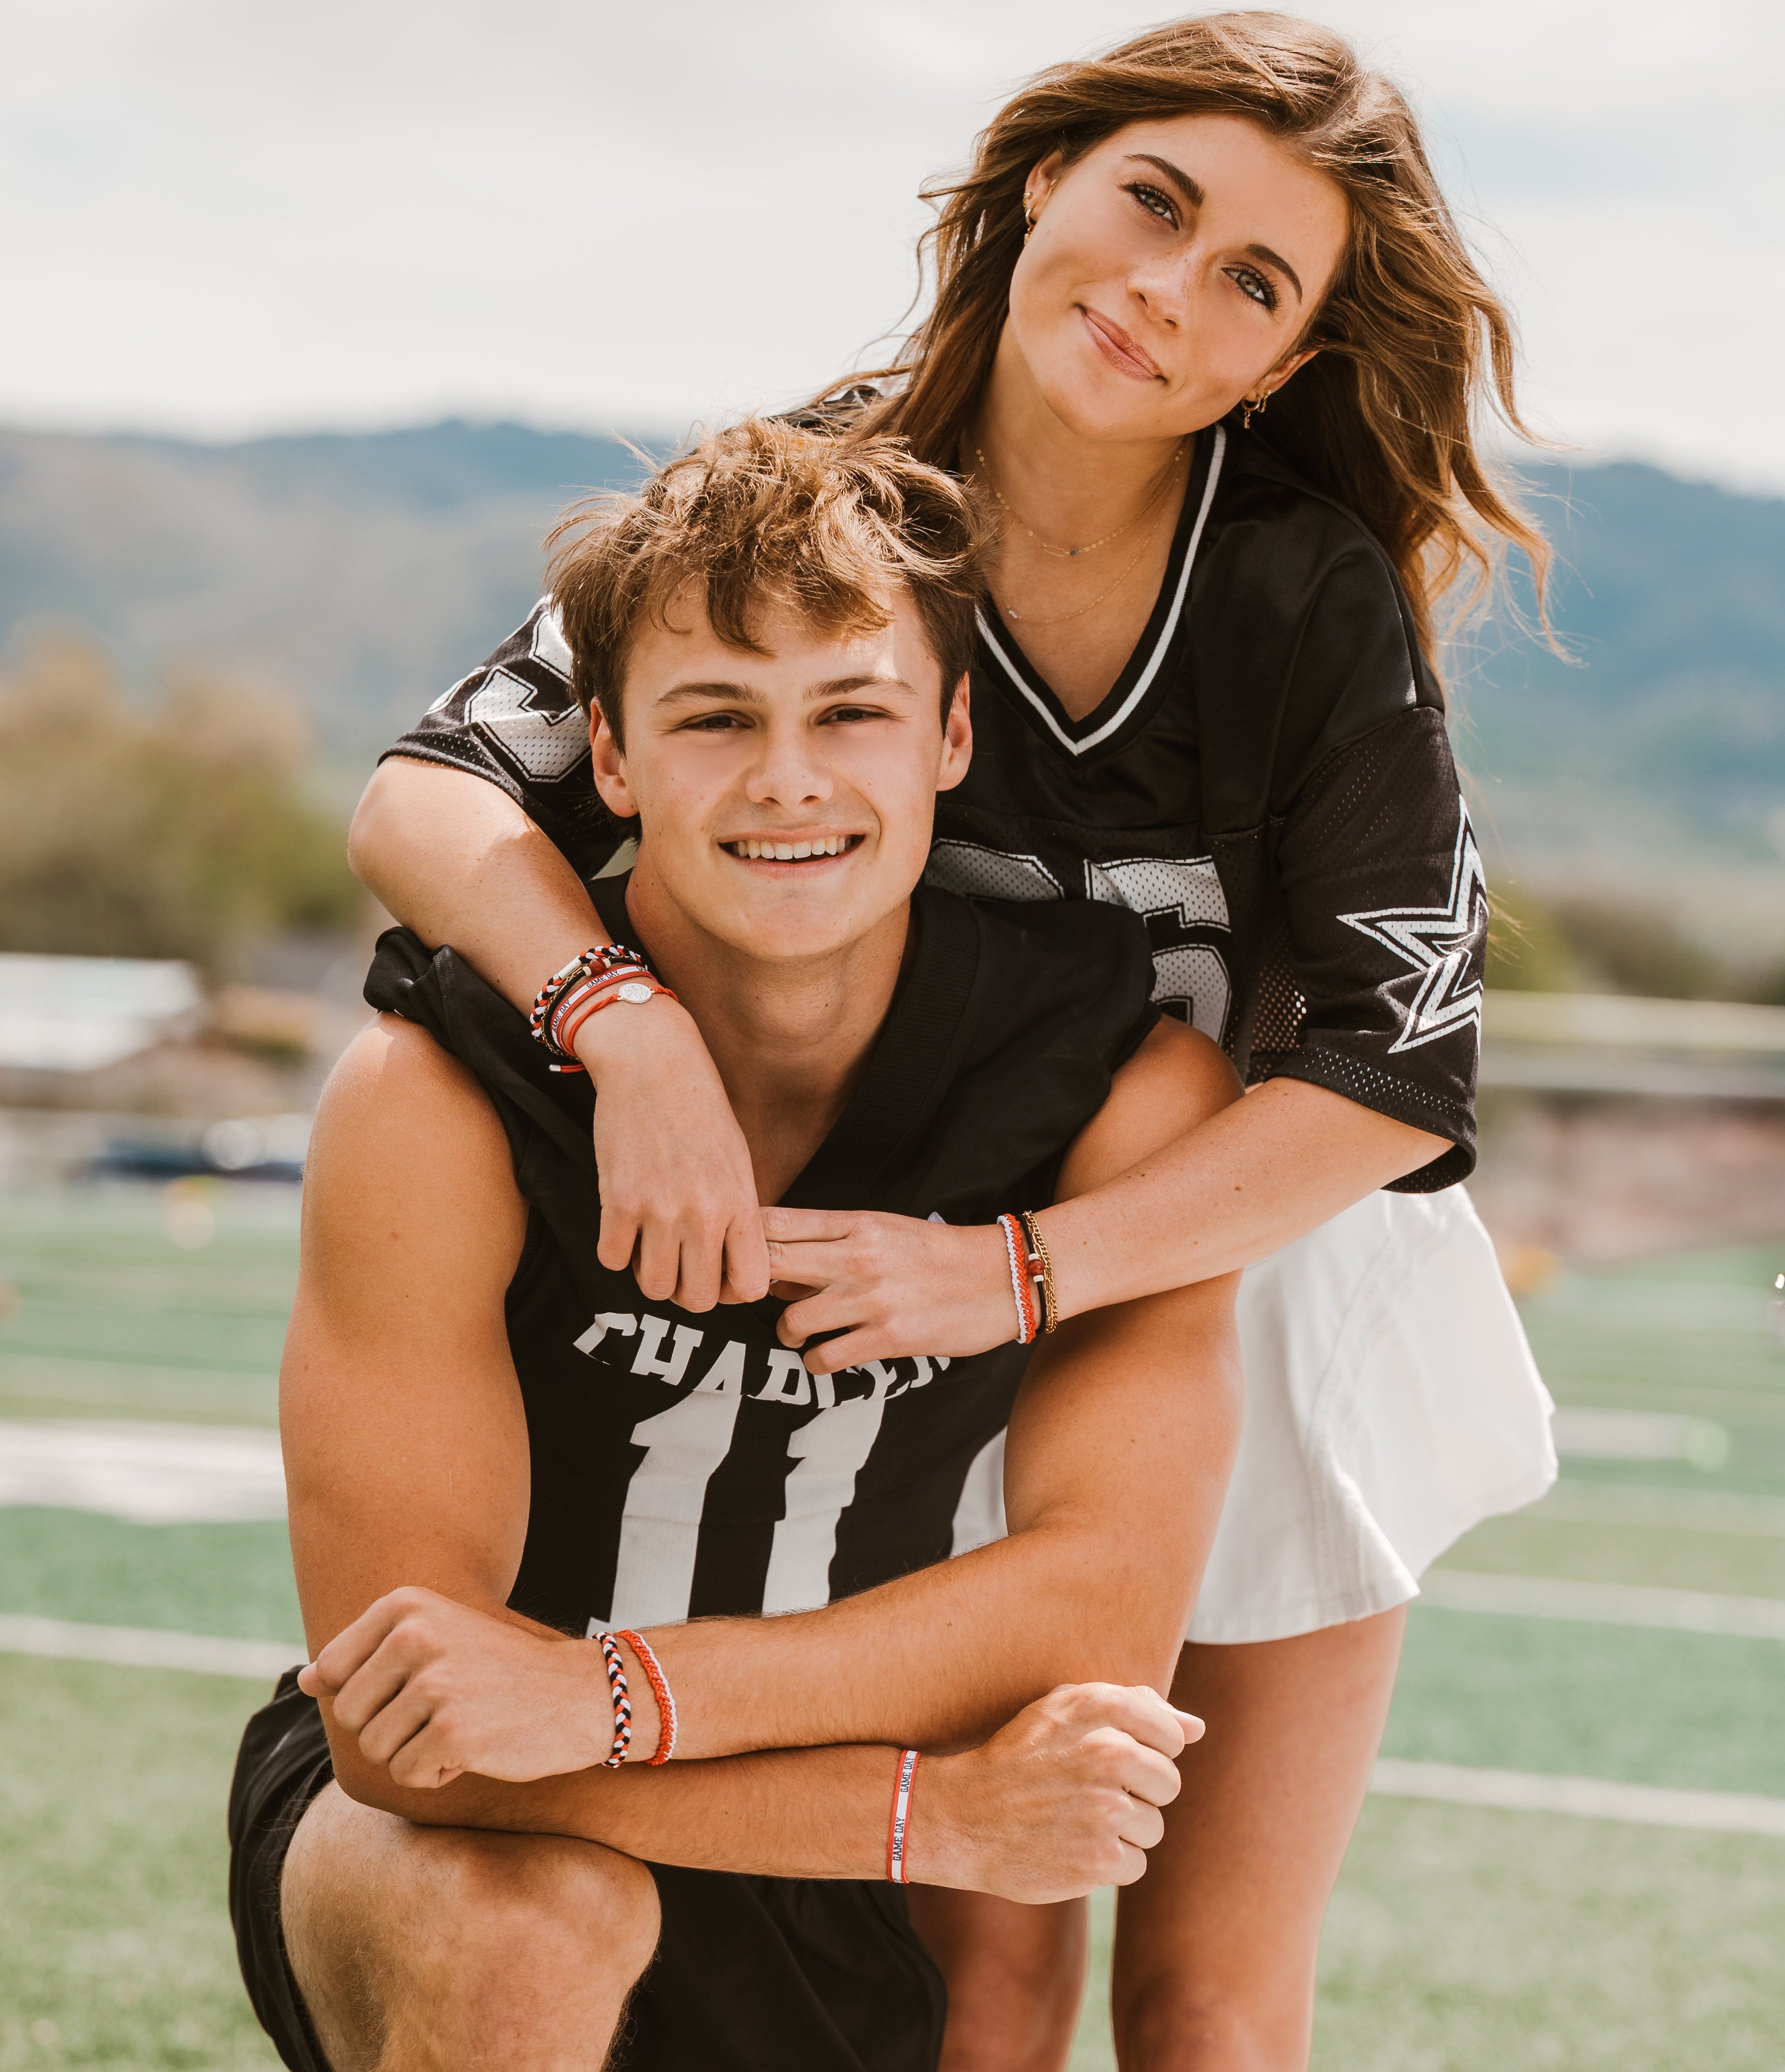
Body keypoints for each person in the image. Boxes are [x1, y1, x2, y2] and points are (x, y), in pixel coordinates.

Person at [345, 14, 1559, 2069]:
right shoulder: (829, 495)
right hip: (909, 1274)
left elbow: (1387, 1079)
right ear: (1035, 193)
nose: (1165, 290)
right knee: (977, 1959)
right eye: (1148, 204)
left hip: (1233, 1269)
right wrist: (619, 1023)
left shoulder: (1298, 591)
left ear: (1283, 361)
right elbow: (427, 797)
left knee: (1207, 1990)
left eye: (1251, 282)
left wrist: (1011, 1273)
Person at [229, 423, 1250, 2072]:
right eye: (717, 719)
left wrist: (613, 1693)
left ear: (950, 734)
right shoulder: (436, 1088)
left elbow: (1105, 1602)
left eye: (850, 711)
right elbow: (414, 1734)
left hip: (819, 1854)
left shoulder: (1115, 1083)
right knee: (537, 1927)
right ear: (614, 762)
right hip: (488, 1841)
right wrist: (932, 1816)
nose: (789, 780)